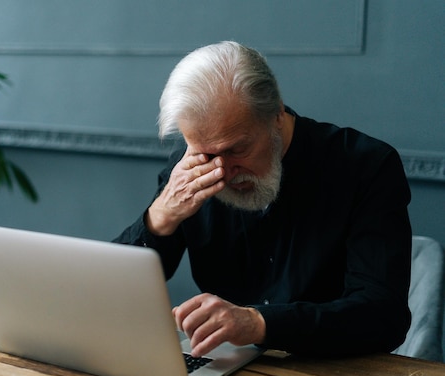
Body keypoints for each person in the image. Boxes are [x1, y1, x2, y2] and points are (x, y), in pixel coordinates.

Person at [114, 41, 412, 358]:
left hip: (334, 371)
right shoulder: (187, 169)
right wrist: (160, 217)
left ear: (277, 114)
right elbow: (110, 289)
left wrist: (260, 323)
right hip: (225, 370)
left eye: (237, 150)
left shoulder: (366, 166)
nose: (222, 171)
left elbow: (383, 317)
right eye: (205, 153)